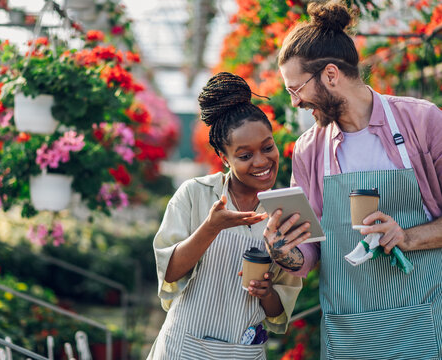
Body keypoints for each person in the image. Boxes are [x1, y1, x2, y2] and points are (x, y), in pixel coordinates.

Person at [263, 1, 442, 359]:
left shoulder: (421, 122)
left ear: (331, 75)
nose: (296, 102)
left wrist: (407, 236)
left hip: (423, 321)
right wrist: (285, 252)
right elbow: (312, 249)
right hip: (350, 332)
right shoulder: (308, 149)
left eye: (296, 89)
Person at [147, 72, 303, 359]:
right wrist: (210, 227)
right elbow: (168, 273)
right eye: (245, 155)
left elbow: (280, 312)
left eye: (268, 147)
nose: (261, 161)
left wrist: (266, 291)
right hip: (185, 346)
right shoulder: (195, 195)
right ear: (223, 156)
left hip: (243, 350)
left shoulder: (286, 210)